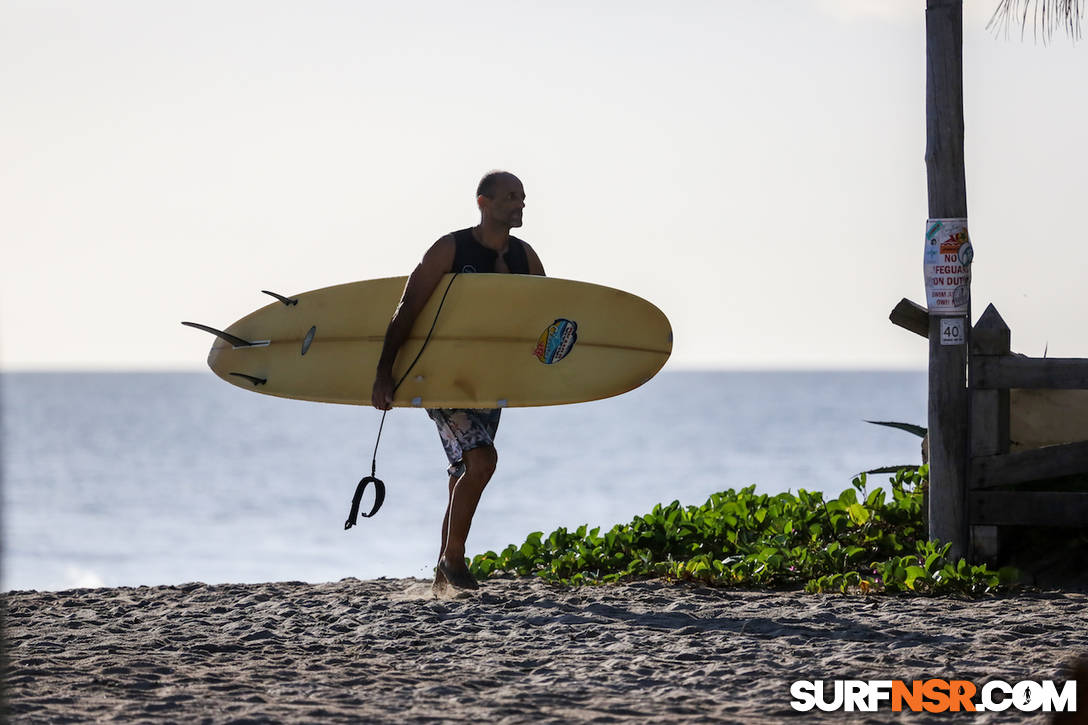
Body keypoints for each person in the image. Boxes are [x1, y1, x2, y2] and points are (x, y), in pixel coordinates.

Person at [371, 171, 545, 594]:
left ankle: (439, 582)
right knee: (483, 461)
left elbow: (545, 322)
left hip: (490, 382)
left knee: (463, 472)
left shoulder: (526, 259)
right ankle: (454, 559)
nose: (520, 204)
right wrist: (383, 373)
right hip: (443, 379)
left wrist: (541, 375)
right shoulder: (451, 249)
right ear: (483, 202)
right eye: (509, 197)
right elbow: (407, 309)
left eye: (522, 197)